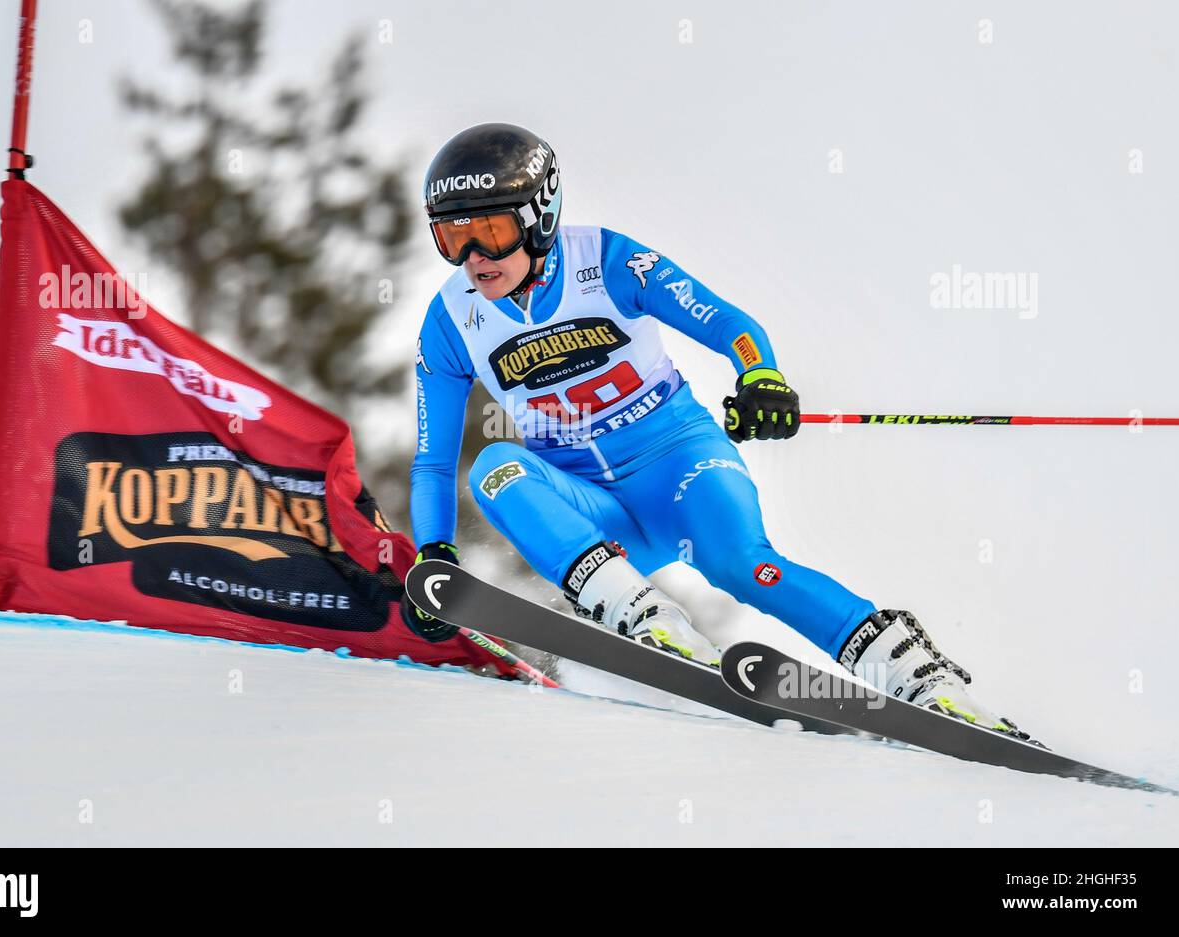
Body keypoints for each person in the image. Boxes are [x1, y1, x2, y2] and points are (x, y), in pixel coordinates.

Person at [406, 122, 1027, 738]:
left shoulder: (608, 261)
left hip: (678, 463)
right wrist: (435, 553)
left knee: (741, 564)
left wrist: (762, 378)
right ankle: (642, 615)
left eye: (489, 231)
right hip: (593, 511)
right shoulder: (449, 321)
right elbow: (433, 463)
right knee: (495, 467)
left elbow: (730, 323)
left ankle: (916, 675)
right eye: (452, 237)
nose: (474, 259)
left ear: (539, 215)